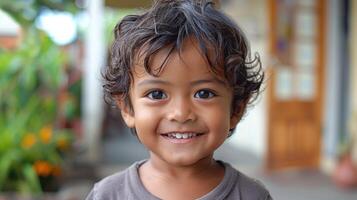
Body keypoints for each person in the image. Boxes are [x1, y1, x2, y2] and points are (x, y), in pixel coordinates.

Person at [86, 0, 272, 199]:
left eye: (204, 93)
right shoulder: (108, 195)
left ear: (236, 108)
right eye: (157, 94)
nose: (181, 113)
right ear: (127, 109)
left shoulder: (252, 196)